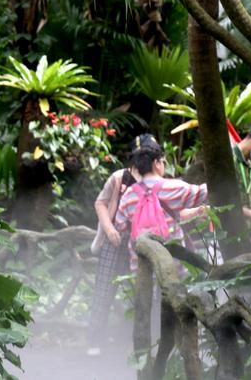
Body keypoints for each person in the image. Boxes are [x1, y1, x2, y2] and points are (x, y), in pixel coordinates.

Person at [86, 133, 156, 355]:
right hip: (116, 241)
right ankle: (94, 341)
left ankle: (136, 343)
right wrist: (109, 229)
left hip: (144, 244)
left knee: (142, 292)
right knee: (104, 289)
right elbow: (101, 203)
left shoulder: (157, 178)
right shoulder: (119, 177)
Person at [115, 141, 209, 271]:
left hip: (142, 267)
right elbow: (204, 192)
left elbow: (120, 225)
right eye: (163, 161)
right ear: (156, 163)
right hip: (172, 265)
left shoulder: (128, 196)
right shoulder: (174, 187)